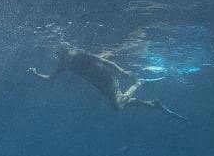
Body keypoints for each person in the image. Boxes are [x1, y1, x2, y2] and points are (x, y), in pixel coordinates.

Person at [29, 45, 186, 119]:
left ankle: (138, 83)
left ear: (65, 51)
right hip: (99, 85)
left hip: (107, 79)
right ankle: (153, 104)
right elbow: (50, 78)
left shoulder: (78, 54)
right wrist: (35, 74)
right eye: (59, 57)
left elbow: (102, 60)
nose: (60, 59)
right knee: (120, 103)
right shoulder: (64, 64)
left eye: (61, 55)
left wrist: (122, 71)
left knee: (118, 106)